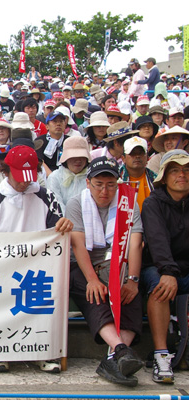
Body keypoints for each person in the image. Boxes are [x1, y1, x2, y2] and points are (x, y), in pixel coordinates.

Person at [0, 145, 72, 374]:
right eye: (19, 177)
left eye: (29, 177)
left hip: (38, 267)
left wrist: (64, 225)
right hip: (1, 268)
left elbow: (57, 230)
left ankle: (44, 352)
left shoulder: (46, 196)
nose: (24, 183)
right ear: (6, 171)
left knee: (40, 306)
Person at [66, 157, 144, 387]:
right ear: (88, 183)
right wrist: (92, 279)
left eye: (110, 185)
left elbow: (135, 243)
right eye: (98, 184)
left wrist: (133, 280)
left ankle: (115, 357)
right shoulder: (76, 203)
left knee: (129, 294)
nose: (104, 191)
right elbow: (78, 244)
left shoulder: (128, 203)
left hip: (118, 262)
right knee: (94, 294)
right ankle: (120, 350)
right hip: (85, 265)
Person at [141, 150, 189, 384]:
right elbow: (157, 241)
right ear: (164, 176)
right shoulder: (153, 203)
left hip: (185, 265)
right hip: (158, 265)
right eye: (175, 170)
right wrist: (168, 272)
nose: (182, 175)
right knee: (160, 288)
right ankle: (162, 355)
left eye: (187, 170)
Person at [46, 136, 91, 212]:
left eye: (82, 157)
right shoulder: (55, 177)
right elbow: (57, 204)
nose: (78, 160)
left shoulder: (92, 176)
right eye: (73, 157)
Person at [118, 136, 155, 211]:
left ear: (147, 157)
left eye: (141, 153)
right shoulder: (116, 179)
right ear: (123, 158)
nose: (137, 156)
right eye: (132, 153)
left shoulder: (156, 179)